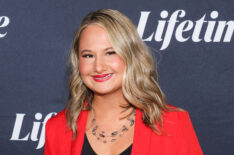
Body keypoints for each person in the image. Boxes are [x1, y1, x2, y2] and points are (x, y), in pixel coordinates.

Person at [44, 9, 203, 155]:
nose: (99, 67)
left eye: (110, 53)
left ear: (131, 56)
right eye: (88, 55)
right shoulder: (57, 129)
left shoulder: (173, 123)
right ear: (78, 62)